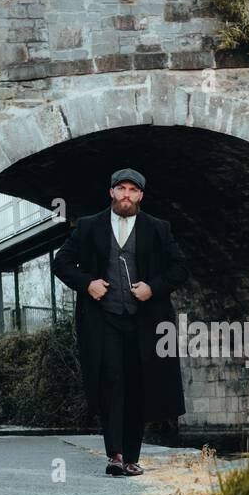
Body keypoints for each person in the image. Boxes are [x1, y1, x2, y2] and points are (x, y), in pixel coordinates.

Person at [52, 167, 189, 476]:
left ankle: (131, 458)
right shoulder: (88, 226)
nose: (126, 195)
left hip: (145, 322)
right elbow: (61, 262)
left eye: (132, 190)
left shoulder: (158, 228)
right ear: (111, 192)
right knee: (111, 384)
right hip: (104, 321)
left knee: (138, 387)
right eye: (121, 189)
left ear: (140, 195)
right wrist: (87, 283)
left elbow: (180, 268)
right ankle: (114, 455)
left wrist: (152, 287)